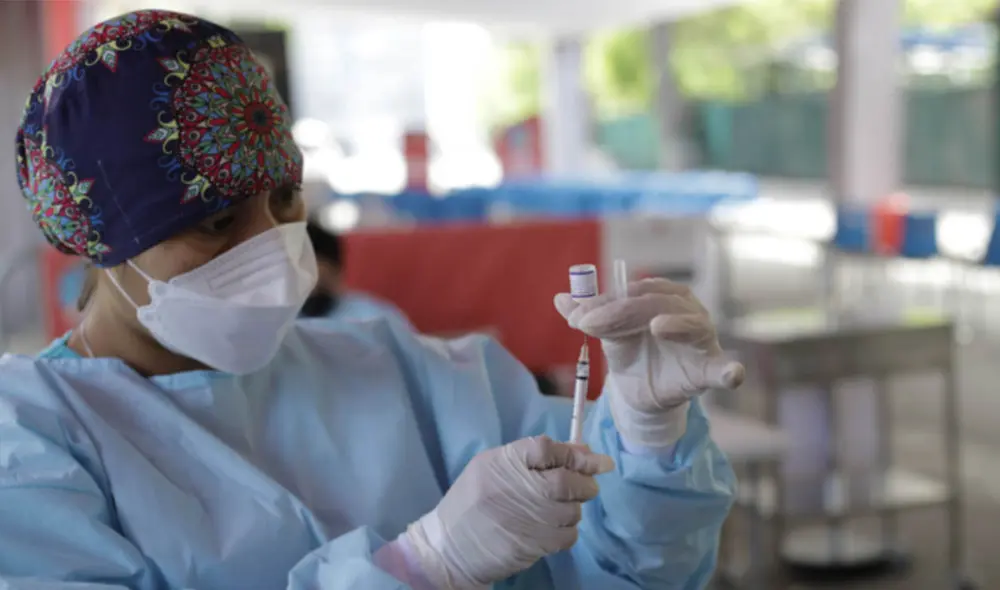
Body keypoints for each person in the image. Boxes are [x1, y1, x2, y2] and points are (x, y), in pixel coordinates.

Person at [0, 11, 744, 590]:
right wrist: (423, 565)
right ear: (98, 242)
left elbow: (625, 572)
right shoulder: (36, 443)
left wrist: (648, 441)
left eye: (285, 199)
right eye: (218, 222)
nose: (274, 246)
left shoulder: (399, 369)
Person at [301, 219, 414, 327]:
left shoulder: (375, 320)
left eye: (320, 285)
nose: (312, 293)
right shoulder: (287, 320)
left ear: (338, 272)